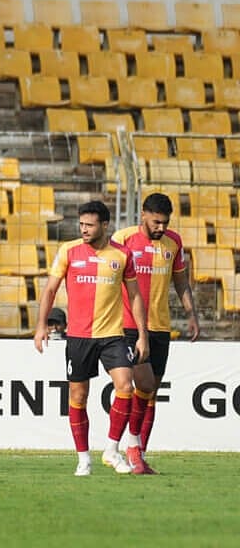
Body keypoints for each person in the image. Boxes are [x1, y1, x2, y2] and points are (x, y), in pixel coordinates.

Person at [34, 200, 149, 477]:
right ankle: (83, 458)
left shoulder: (122, 255)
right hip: (79, 337)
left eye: (89, 225)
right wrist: (40, 326)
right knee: (78, 395)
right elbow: (50, 290)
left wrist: (142, 335)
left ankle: (111, 449)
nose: (83, 229)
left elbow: (134, 296)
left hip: (113, 336)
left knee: (126, 386)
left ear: (105, 225)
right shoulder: (69, 251)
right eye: (81, 224)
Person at [112, 192, 200, 474]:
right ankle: (130, 446)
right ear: (144, 215)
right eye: (157, 222)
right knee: (145, 383)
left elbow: (181, 281)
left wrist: (191, 314)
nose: (161, 228)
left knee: (150, 393)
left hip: (160, 326)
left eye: (165, 223)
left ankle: (139, 456)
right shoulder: (123, 238)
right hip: (128, 325)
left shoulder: (173, 242)